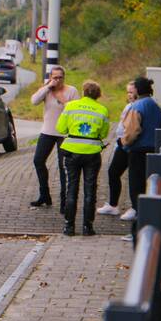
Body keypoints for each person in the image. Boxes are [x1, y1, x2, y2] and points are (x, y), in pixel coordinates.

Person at [57, 81, 110, 236]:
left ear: (83, 92)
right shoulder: (102, 110)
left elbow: (60, 128)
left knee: (71, 188)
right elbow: (104, 134)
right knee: (90, 190)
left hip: (72, 152)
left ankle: (69, 227)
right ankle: (88, 227)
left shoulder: (71, 106)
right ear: (98, 94)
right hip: (92, 154)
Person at [29, 66, 79, 210]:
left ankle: (64, 201)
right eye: (54, 77)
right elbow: (34, 101)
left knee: (63, 167)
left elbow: (76, 110)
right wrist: (47, 87)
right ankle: (44, 195)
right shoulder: (47, 89)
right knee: (38, 161)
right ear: (50, 78)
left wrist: (61, 98)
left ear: (64, 78)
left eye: (60, 77)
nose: (57, 80)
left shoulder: (72, 91)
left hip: (64, 134)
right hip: (47, 131)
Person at [120, 76, 161, 237]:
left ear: (137, 90)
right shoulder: (154, 105)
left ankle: (138, 230)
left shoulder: (137, 106)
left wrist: (124, 143)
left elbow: (132, 131)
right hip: (153, 149)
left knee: (136, 188)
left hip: (138, 151)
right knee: (148, 186)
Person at [97, 81, 137, 217]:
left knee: (133, 177)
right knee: (113, 172)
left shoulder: (137, 107)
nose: (129, 95)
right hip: (122, 144)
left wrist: (123, 141)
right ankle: (113, 205)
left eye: (131, 92)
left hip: (129, 145)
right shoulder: (129, 106)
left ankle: (135, 208)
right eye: (128, 92)